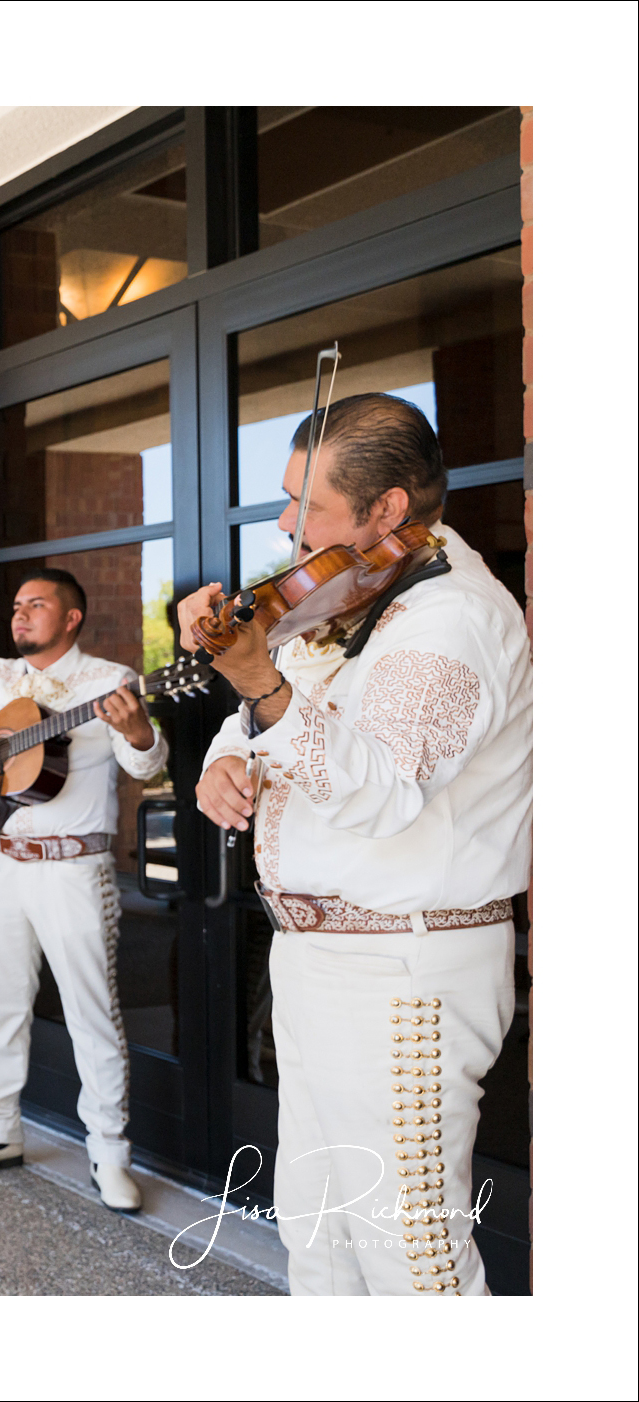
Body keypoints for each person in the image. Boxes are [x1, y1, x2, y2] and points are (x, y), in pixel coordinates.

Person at [177, 394, 530, 1296]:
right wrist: (227, 753)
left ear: (387, 511)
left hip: (403, 972)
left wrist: (255, 680)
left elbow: (379, 792)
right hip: (321, 962)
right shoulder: (355, 592)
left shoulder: (451, 623)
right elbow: (281, 698)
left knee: (411, 1255)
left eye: (310, 506)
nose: (289, 525)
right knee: (318, 1230)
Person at [0, 568, 166, 1212]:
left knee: (93, 1014)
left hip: (72, 869)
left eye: (37, 605)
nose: (20, 615)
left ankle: (109, 1153)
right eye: (18, 605)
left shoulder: (109, 682)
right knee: (0, 1008)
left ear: (72, 618)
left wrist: (139, 733)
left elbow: (146, 763)